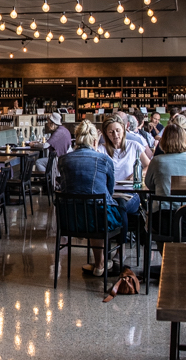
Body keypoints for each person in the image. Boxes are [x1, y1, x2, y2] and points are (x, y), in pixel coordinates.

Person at [57, 123, 124, 277]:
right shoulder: (104, 160)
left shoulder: (64, 160)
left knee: (89, 208)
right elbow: (110, 190)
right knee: (107, 209)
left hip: (70, 219)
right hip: (97, 219)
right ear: (95, 141)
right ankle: (105, 262)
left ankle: (100, 262)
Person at [103, 115, 149, 216]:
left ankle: (117, 231)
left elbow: (148, 165)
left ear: (124, 130)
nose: (115, 135)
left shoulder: (134, 145)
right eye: (111, 132)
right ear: (106, 133)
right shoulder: (101, 149)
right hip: (109, 193)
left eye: (118, 130)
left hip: (130, 193)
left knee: (120, 205)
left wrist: (136, 174)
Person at [145, 124, 186, 196]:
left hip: (163, 206)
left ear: (163, 141)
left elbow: (149, 184)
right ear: (185, 139)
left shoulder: (156, 161)